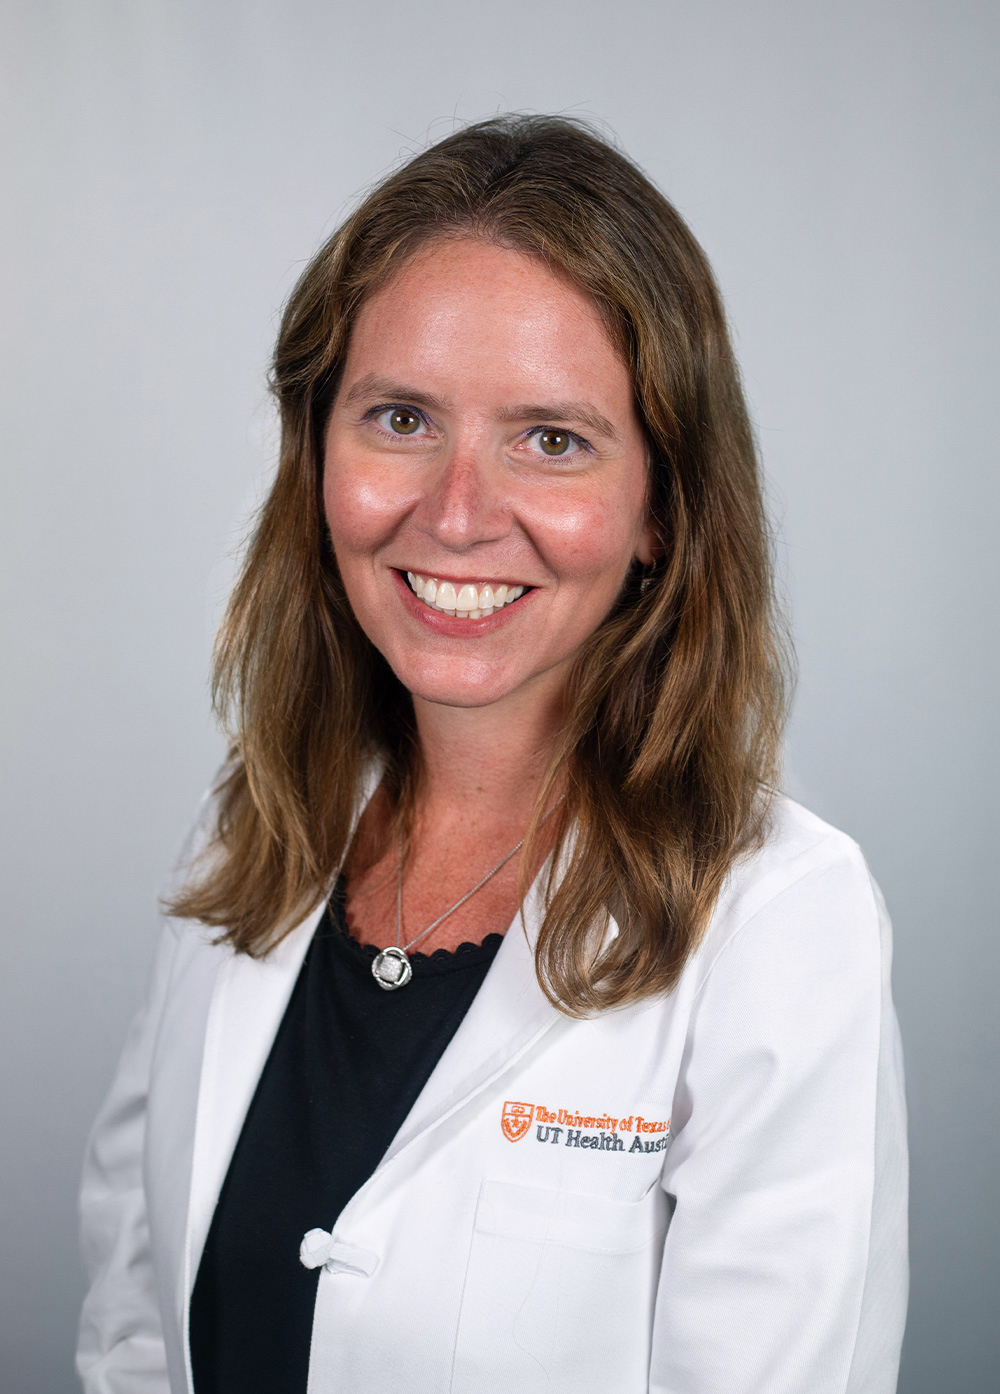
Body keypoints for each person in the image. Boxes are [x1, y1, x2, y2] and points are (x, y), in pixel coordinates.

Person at [76, 115, 908, 1394]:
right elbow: (136, 1315)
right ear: (316, 459)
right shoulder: (254, 830)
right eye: (400, 416)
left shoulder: (780, 921)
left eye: (552, 439)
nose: (456, 514)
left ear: (660, 511)